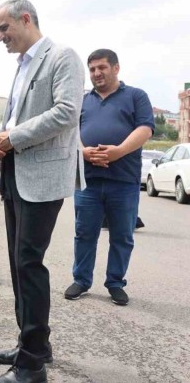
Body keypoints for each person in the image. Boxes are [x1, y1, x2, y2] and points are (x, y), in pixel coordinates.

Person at [0, 0, 85, 383]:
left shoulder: (63, 57)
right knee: (16, 261)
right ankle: (34, 343)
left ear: (25, 19)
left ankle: (31, 367)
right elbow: (14, 115)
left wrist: (12, 137)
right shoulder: (23, 66)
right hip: (14, 169)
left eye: (3, 28)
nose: (0, 37)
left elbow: (66, 112)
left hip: (42, 174)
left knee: (28, 262)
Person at [64, 49, 154, 306]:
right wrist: (83, 151)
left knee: (122, 235)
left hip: (123, 181)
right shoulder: (83, 100)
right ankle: (81, 280)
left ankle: (115, 282)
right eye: (92, 69)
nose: (96, 73)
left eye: (102, 67)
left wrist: (118, 152)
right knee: (84, 233)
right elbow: (72, 130)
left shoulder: (136, 96)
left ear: (116, 68)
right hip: (88, 179)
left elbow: (145, 129)